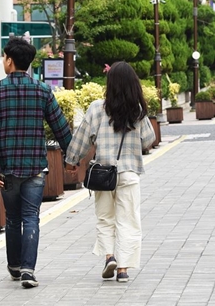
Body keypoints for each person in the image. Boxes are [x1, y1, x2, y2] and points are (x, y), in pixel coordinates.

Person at [0, 37, 72, 289]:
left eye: (4, 57)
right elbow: (60, 127)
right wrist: (72, 158)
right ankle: (28, 271)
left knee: (12, 217)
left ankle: (13, 265)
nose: (3, 61)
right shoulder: (42, 91)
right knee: (31, 216)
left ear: (10, 61)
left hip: (6, 168)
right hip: (35, 166)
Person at [65, 61, 156, 283]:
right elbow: (149, 139)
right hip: (129, 174)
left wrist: (71, 161)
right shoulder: (138, 111)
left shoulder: (97, 108)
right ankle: (123, 269)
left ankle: (109, 257)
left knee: (105, 218)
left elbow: (82, 139)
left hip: (103, 175)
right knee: (128, 221)